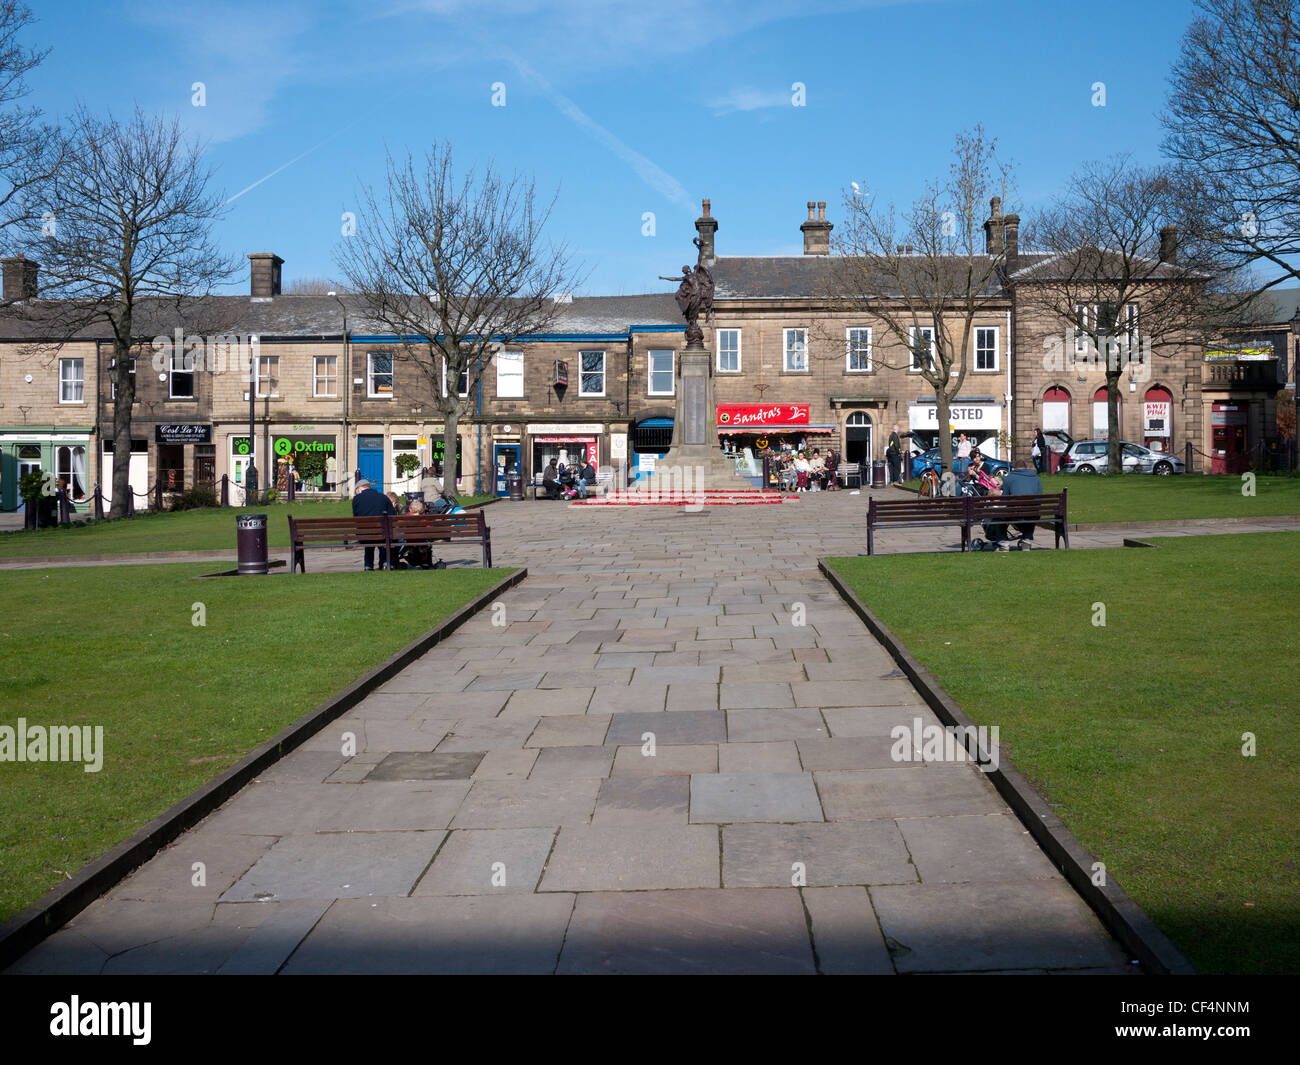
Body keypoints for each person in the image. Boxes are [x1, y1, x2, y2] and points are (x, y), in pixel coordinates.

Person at [983, 462, 1044, 550]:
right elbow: (1039, 498)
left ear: (1013, 469)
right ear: (1026, 468)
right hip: (1033, 512)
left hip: (1015, 513)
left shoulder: (1009, 478)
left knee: (999, 517)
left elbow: (1004, 500)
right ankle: (1027, 541)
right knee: (1031, 516)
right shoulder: (1036, 478)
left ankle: (1003, 544)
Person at [352, 478, 395, 570]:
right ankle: (384, 563)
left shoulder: (356, 499)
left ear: (359, 489)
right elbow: (392, 515)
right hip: (382, 534)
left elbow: (356, 517)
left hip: (364, 535)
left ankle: (368, 566)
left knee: (369, 541)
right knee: (383, 541)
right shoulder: (383, 497)